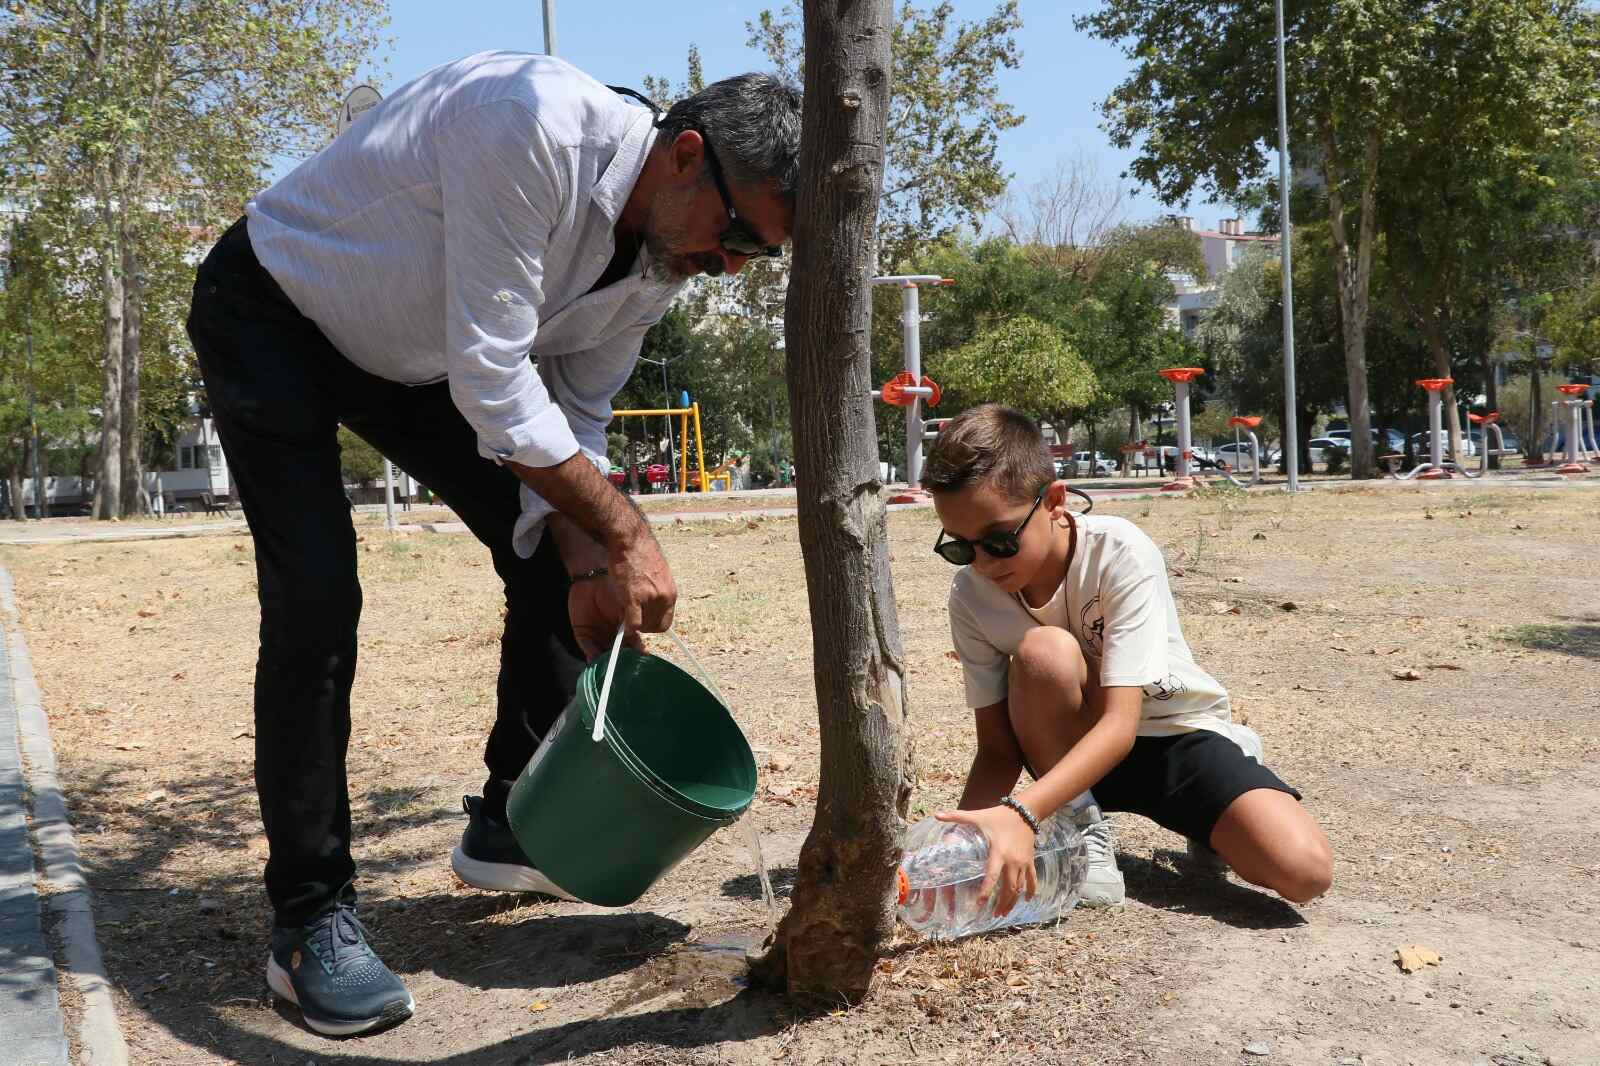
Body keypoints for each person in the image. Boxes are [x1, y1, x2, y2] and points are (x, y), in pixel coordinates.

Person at [184, 51, 800, 1037]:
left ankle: (514, 813)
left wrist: (593, 557)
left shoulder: (659, 256)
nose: (729, 266)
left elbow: (578, 414)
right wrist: (622, 527)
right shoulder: (531, 124)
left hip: (414, 351)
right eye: (735, 236)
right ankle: (309, 923)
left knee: (550, 551)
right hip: (276, 307)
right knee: (317, 599)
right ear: (686, 156)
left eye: (753, 256)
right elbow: (494, 386)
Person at [922, 404, 1333, 920]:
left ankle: (1211, 804)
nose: (983, 563)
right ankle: (1078, 824)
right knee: (1045, 652)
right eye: (961, 548)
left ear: (1053, 501)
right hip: (1065, 755)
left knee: (1304, 872)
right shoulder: (971, 595)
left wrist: (1022, 813)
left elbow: (1121, 725)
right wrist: (964, 845)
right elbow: (999, 751)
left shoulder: (1120, 551)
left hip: (1169, 735)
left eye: (1000, 541)